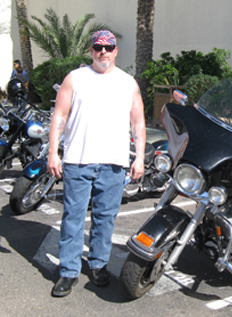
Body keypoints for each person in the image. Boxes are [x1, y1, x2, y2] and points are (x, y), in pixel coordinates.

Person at [47, 30, 146, 297]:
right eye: (98, 47)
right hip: (78, 161)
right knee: (73, 218)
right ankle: (68, 271)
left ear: (116, 51)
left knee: (105, 219)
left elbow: (138, 122)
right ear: (91, 51)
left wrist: (139, 157)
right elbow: (59, 115)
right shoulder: (75, 78)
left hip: (113, 163)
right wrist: (53, 153)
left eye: (108, 47)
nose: (103, 52)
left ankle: (99, 265)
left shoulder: (128, 82)